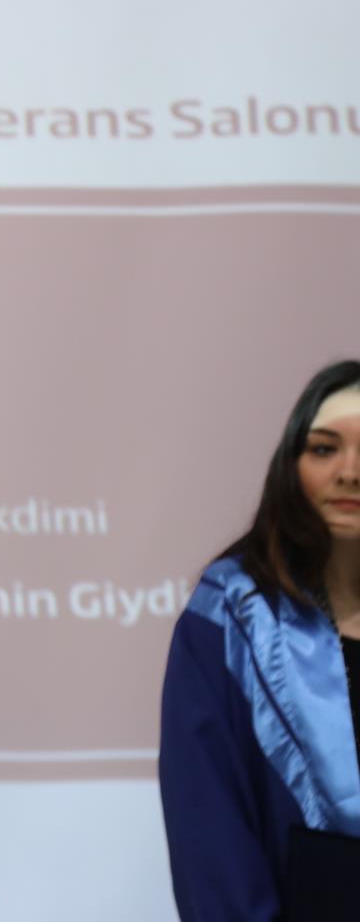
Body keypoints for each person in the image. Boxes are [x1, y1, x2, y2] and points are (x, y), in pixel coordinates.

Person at [160, 361, 360, 922]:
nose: (349, 472)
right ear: (290, 465)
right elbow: (208, 830)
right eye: (324, 449)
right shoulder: (230, 617)